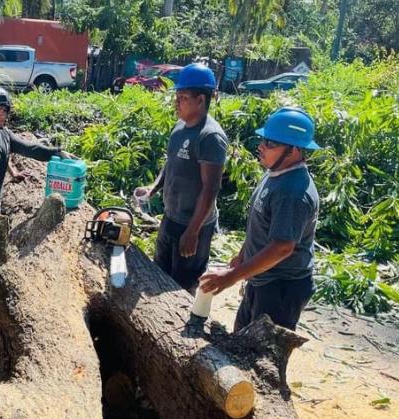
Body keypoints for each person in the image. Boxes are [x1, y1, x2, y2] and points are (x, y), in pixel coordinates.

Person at [0, 86, 76, 321]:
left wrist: (57, 153)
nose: (2, 115)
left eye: (5, 111)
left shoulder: (4, 134)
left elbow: (30, 149)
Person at [199, 107, 321, 332]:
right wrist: (244, 255)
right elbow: (263, 224)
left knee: (261, 357)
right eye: (263, 140)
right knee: (240, 342)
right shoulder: (275, 175)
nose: (262, 147)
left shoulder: (292, 192)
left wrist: (231, 277)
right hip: (261, 278)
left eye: (271, 143)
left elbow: (282, 247)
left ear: (293, 151)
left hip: (280, 287)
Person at [135, 63, 228, 294]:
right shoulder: (179, 128)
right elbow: (171, 164)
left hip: (194, 225)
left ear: (201, 101)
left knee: (181, 288)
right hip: (171, 218)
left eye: (183, 97)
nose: (177, 102)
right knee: (159, 276)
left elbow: (210, 188)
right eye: (177, 96)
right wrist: (153, 189)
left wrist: (193, 231)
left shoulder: (210, 137)